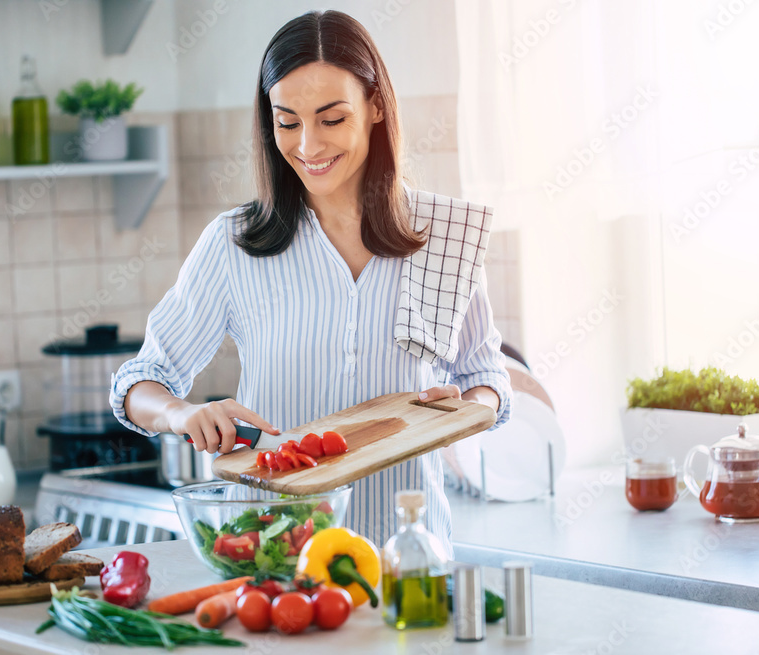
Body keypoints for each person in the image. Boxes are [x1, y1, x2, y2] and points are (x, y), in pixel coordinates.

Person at [110, 10, 511, 556]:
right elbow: (139, 382)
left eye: (330, 118)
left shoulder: (443, 238)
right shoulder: (234, 243)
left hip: (409, 556)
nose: (308, 146)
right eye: (288, 121)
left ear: (375, 107)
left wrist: (463, 404)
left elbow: (489, 380)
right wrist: (182, 414)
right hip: (276, 563)